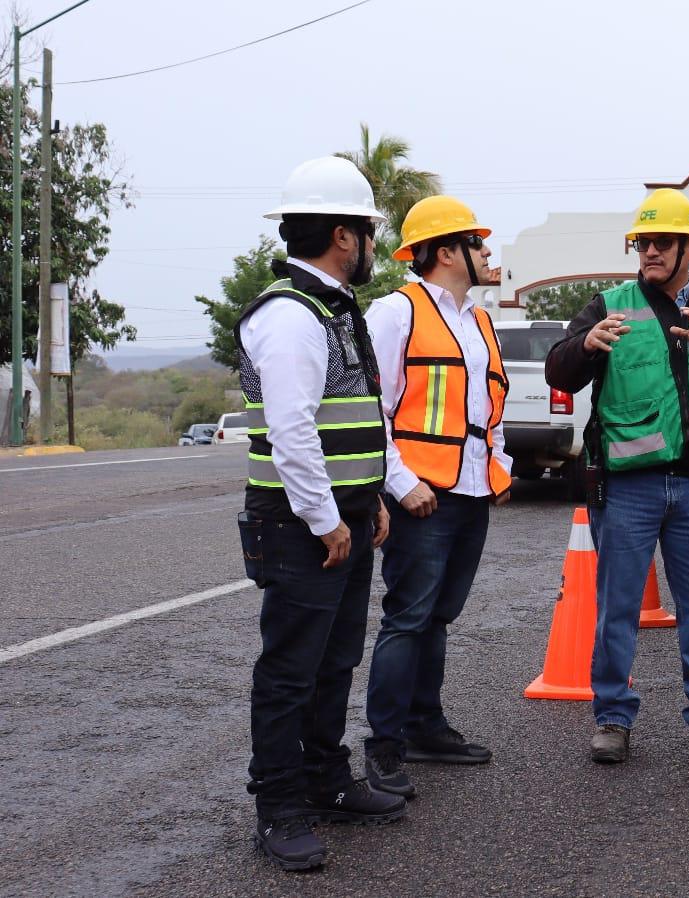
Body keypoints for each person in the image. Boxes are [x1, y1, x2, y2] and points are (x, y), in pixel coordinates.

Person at [545, 188, 689, 767]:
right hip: (630, 486)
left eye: (662, 242)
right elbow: (560, 371)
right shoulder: (609, 304)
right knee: (617, 607)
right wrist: (584, 347)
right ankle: (614, 717)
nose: (649, 251)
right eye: (643, 242)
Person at [238, 156, 406, 872]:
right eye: (369, 230)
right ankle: (280, 808)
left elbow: (364, 413)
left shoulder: (337, 307)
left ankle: (325, 780)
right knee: (290, 669)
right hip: (301, 523)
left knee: (335, 659)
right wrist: (325, 519)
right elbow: (291, 430)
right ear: (344, 236)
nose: (373, 244)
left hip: (344, 515)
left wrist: (375, 496)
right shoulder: (289, 315)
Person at [362, 196, 509, 797]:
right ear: (447, 251)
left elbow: (484, 406)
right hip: (420, 492)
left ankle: (425, 726)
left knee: (439, 616)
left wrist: (498, 467)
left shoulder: (477, 319)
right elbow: (374, 411)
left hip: (470, 490)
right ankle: (385, 744)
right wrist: (400, 483)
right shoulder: (396, 312)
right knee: (408, 617)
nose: (487, 252)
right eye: (477, 243)